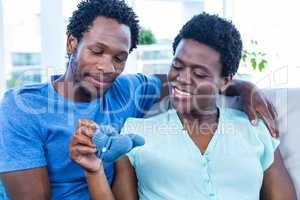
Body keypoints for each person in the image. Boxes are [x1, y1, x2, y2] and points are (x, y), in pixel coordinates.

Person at [0, 0, 277, 199]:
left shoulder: (126, 90)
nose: (107, 67)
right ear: (72, 43)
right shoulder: (22, 108)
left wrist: (244, 87)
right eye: (96, 51)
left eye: (119, 58)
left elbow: (184, 81)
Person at [69, 13, 296, 200]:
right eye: (177, 66)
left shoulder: (255, 129)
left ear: (225, 81)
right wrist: (94, 170)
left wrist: (247, 87)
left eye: (199, 73)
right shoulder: (135, 132)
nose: (182, 79)